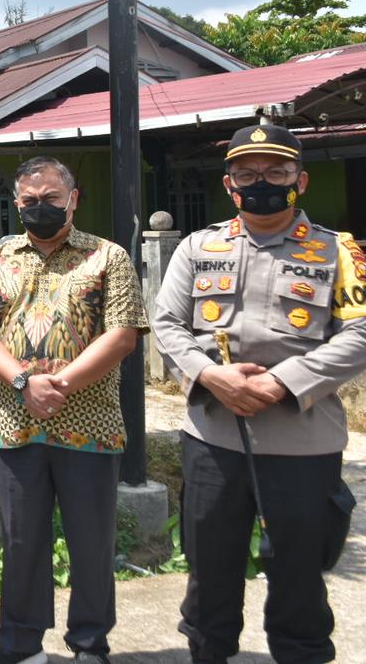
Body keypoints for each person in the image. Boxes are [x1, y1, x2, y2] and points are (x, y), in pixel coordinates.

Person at [152, 124, 366, 664]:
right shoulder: (200, 247)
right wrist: (211, 376)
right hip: (212, 441)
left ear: (301, 179)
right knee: (209, 575)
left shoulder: (338, 251)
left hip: (303, 445)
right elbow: (167, 323)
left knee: (299, 582)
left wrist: (283, 382)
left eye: (276, 171)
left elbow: (361, 333)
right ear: (229, 184)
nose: (261, 182)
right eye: (247, 173)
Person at [0, 156, 148, 664]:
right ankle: (20, 645)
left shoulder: (107, 257)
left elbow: (123, 335)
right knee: (21, 542)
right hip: (14, 423)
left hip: (90, 424)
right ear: (17, 203)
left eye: (51, 199)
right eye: (31, 201)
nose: (41, 208)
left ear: (73, 199)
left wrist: (56, 383)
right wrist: (24, 382)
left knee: (91, 543)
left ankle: (89, 644)